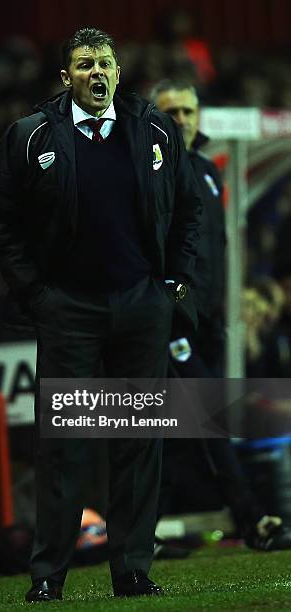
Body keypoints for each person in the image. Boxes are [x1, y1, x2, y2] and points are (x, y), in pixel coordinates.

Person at [0, 29, 202, 602]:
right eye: (85, 65)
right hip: (68, 310)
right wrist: (37, 294)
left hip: (140, 306)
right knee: (65, 444)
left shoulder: (153, 127)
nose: (97, 73)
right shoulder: (31, 136)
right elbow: (0, 223)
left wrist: (172, 282)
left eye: (105, 63)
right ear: (67, 78)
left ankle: (131, 568)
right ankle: (48, 576)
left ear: (117, 69)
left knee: (137, 441)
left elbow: (189, 207)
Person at [150, 79, 291, 554]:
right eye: (172, 111)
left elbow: (218, 248)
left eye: (188, 111)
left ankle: (138, 534)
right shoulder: (145, 173)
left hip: (208, 323)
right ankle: (254, 520)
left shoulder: (209, 172)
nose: (183, 120)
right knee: (207, 420)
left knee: (173, 432)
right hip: (169, 324)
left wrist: (231, 305)